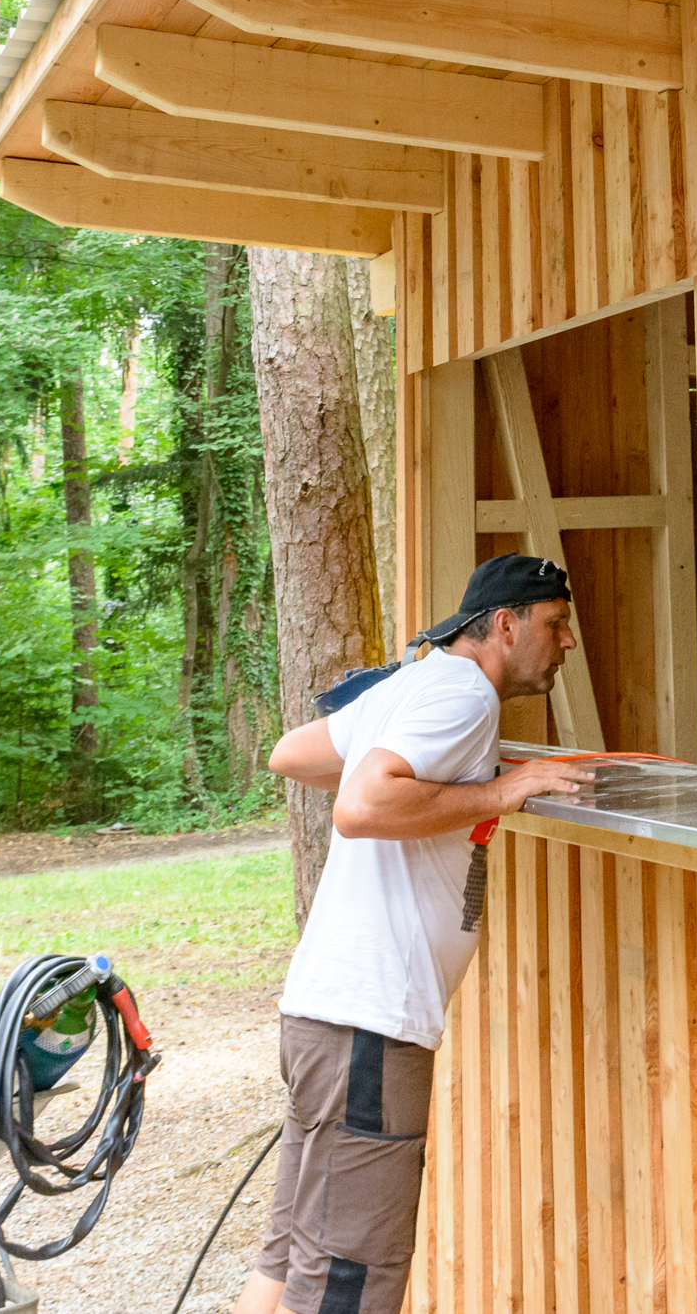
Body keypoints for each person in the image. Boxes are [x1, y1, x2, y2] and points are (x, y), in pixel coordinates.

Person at [235, 553, 600, 1314]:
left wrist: (428, 769)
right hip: (369, 1029)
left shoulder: (415, 685)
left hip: (322, 1018)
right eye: (556, 623)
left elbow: (291, 754)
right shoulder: (463, 693)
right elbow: (360, 807)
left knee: (292, 1255)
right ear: (506, 625)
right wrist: (499, 789)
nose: (568, 641)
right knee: (347, 1282)